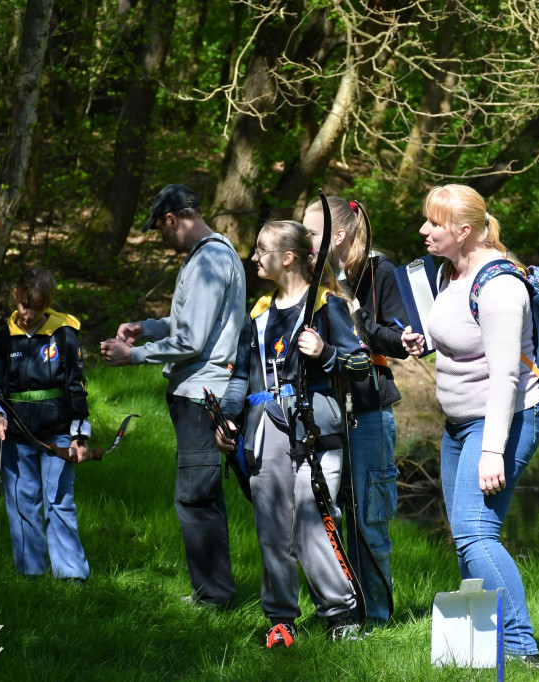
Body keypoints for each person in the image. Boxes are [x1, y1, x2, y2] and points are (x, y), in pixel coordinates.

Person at [401, 184, 539, 665]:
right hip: (459, 424)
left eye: (434, 223)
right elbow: (460, 337)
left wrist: (492, 450)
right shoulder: (449, 271)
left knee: (476, 534)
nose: (423, 230)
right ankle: (484, 648)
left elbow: (505, 376)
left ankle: (520, 649)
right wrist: (425, 342)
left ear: (463, 231)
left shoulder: (500, 287)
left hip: (502, 421)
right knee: (466, 537)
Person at [214, 219, 371, 648]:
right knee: (271, 525)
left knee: (313, 518)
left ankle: (340, 615)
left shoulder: (326, 305)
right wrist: (227, 418)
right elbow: (240, 378)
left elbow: (361, 364)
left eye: (261, 250)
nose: (253, 257)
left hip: (316, 429)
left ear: (287, 258)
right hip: (265, 429)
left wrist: (325, 352)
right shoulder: (259, 313)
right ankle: (281, 620)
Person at [100, 184, 246, 609]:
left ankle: (213, 597)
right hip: (200, 392)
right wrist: (147, 327)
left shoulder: (211, 259)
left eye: (160, 229)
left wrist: (133, 355)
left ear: (172, 219)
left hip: (202, 394)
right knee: (200, 496)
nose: (162, 238)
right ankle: (212, 592)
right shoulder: (208, 255)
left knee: (195, 497)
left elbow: (192, 341)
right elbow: (188, 322)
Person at [303, 196, 407, 625]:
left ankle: (376, 616)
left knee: (370, 516)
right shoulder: (309, 276)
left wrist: (355, 315)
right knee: (327, 513)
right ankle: (341, 612)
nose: (304, 240)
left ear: (338, 235)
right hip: (323, 411)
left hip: (369, 407)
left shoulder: (379, 272)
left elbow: (399, 340)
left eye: (311, 232)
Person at [0, 267, 92, 583]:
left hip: (58, 433)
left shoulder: (64, 335)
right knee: (22, 502)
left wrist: (79, 436)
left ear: (49, 304)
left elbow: (76, 387)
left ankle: (71, 576)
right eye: (25, 305)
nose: (29, 314)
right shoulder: (3, 338)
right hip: (16, 434)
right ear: (16, 295)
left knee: (59, 501)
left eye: (38, 309)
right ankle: (31, 573)